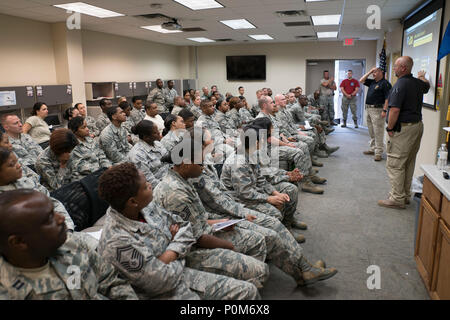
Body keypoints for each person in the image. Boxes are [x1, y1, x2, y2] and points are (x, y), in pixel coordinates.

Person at [97, 163, 259, 300]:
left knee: (252, 281)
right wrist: (175, 245)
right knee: (246, 292)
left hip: (182, 266)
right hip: (164, 292)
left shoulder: (145, 206)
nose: (151, 185)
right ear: (132, 201)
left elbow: (185, 227)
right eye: (146, 186)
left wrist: (167, 256)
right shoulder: (118, 241)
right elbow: (162, 281)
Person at [153, 138, 269, 289]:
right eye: (200, 163)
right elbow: (197, 238)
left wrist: (220, 223)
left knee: (257, 239)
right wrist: (229, 247)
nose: (203, 167)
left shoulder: (184, 179)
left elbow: (195, 220)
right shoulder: (176, 192)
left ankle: (245, 281)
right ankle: (242, 286)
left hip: (202, 232)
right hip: (191, 250)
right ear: (187, 164)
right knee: (259, 265)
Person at [0, 189, 138, 300]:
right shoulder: (8, 292)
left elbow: (109, 280)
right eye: (49, 219)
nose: (61, 218)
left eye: (54, 211)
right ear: (19, 242)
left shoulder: (70, 244)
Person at [378, 56, 430, 209]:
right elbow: (426, 86)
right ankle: (405, 195)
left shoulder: (400, 84)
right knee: (408, 162)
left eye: (395, 66)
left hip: (404, 129)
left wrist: (389, 128)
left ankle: (397, 198)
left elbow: (394, 109)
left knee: (395, 163)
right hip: (417, 126)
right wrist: (422, 76)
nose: (393, 68)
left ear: (403, 68)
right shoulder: (416, 82)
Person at [0, 148, 75, 230]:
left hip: (60, 228)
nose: (19, 165)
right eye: (12, 164)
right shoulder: (3, 200)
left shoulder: (27, 181)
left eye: (17, 161)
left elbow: (53, 203)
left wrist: (68, 227)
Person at [360, 67, 392, 161]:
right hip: (369, 109)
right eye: (372, 72)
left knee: (378, 131)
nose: (373, 74)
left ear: (381, 72)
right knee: (371, 131)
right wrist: (369, 71)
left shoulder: (385, 83)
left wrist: (384, 110)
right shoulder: (373, 82)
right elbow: (361, 80)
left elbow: (387, 98)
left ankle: (378, 152)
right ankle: (373, 148)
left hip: (378, 110)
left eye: (375, 72)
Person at [128, 120, 169, 188]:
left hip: (170, 178)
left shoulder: (158, 144)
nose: (159, 133)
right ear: (146, 137)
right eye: (155, 133)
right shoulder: (137, 155)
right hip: (159, 188)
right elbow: (150, 182)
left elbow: (169, 163)